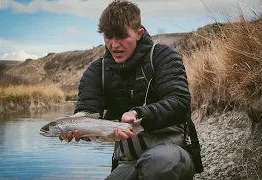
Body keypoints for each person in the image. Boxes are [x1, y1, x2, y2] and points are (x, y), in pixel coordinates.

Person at [67, 0, 202, 179]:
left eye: (121, 36)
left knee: (159, 165)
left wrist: (138, 114)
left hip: (171, 156)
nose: (114, 45)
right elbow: (87, 108)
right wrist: (78, 122)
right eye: (108, 37)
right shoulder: (95, 71)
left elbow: (180, 102)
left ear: (139, 33)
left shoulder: (163, 57)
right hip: (127, 163)